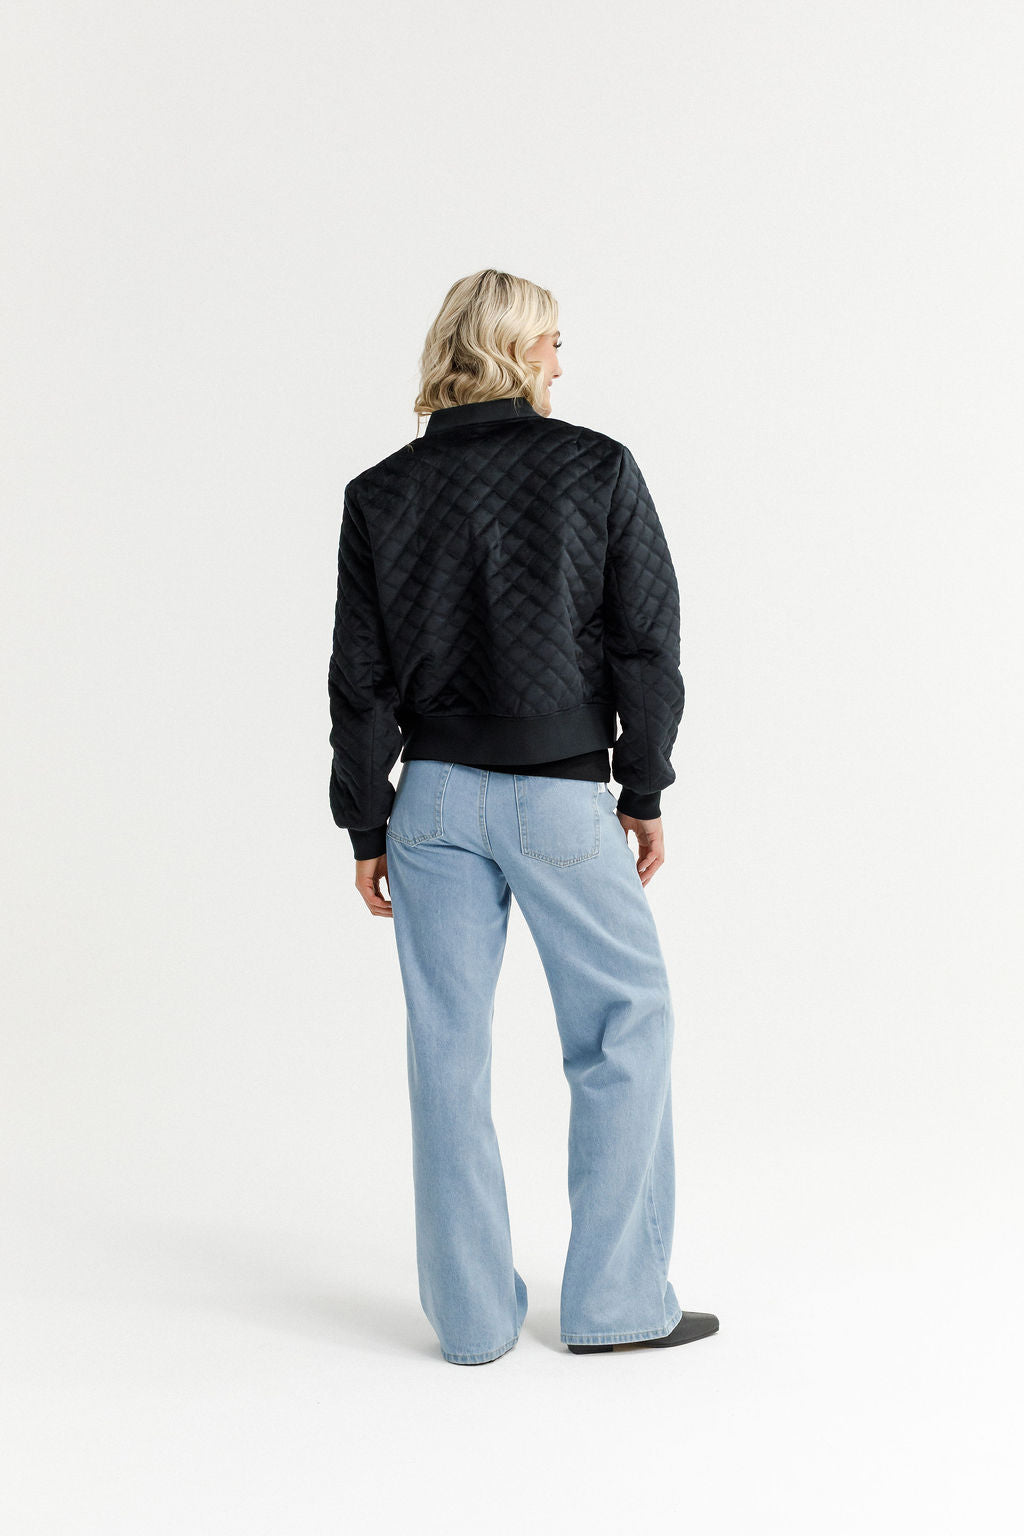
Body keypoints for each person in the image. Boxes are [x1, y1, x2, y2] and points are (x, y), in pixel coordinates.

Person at [328, 268, 719, 1365]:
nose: (559, 359)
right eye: (549, 340)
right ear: (510, 349)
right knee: (623, 1025)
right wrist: (642, 789)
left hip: (433, 802)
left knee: (445, 1054)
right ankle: (617, 1303)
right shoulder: (596, 466)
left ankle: (470, 1322)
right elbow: (646, 642)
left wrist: (368, 825)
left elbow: (358, 681)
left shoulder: (380, 492)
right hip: (559, 795)